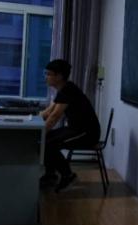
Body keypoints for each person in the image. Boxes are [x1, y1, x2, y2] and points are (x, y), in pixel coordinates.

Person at [40, 59, 101, 192]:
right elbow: (48, 112)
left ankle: (68, 175)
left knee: (48, 143)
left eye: (49, 74)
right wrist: (29, 119)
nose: (46, 77)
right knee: (45, 139)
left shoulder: (68, 90)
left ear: (59, 76)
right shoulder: (64, 88)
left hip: (87, 133)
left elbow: (54, 116)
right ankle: (51, 175)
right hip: (75, 129)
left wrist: (39, 132)